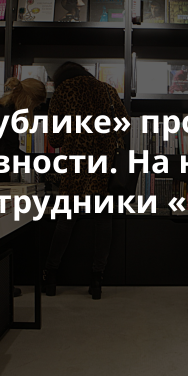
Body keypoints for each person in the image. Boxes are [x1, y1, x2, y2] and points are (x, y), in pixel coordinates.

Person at [43, 61, 129, 300]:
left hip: (75, 168)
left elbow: (55, 139)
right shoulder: (107, 89)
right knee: (103, 222)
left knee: (65, 222)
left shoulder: (63, 92)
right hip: (103, 167)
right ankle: (97, 279)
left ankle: (50, 276)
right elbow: (124, 123)